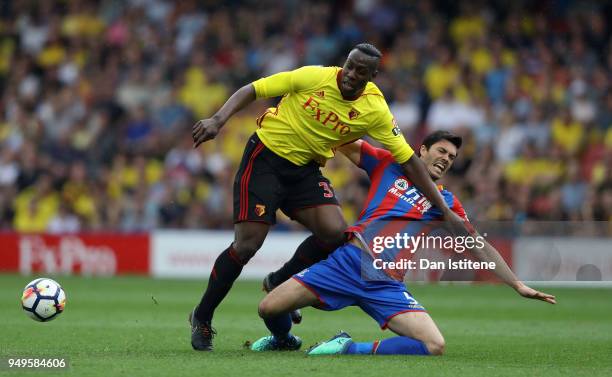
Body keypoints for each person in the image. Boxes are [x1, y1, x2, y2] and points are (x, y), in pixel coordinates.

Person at [189, 43, 468, 351]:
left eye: (361, 71)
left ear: (372, 76)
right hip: (265, 158)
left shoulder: (375, 109)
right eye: (349, 66)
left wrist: (442, 207)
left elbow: (409, 161)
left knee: (336, 233)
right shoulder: (314, 77)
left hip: (305, 169)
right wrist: (218, 119)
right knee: (246, 246)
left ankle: (279, 279)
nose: (350, 74)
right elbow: (253, 89)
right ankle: (202, 316)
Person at [250, 131, 556, 355]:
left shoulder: (446, 203)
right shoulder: (388, 164)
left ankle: (346, 347)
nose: (446, 159)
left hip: (387, 284)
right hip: (348, 262)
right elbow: (341, 140)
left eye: (451, 157)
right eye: (441, 151)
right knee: (268, 308)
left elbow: (479, 245)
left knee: (434, 345)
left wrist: (516, 284)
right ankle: (283, 340)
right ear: (421, 150)